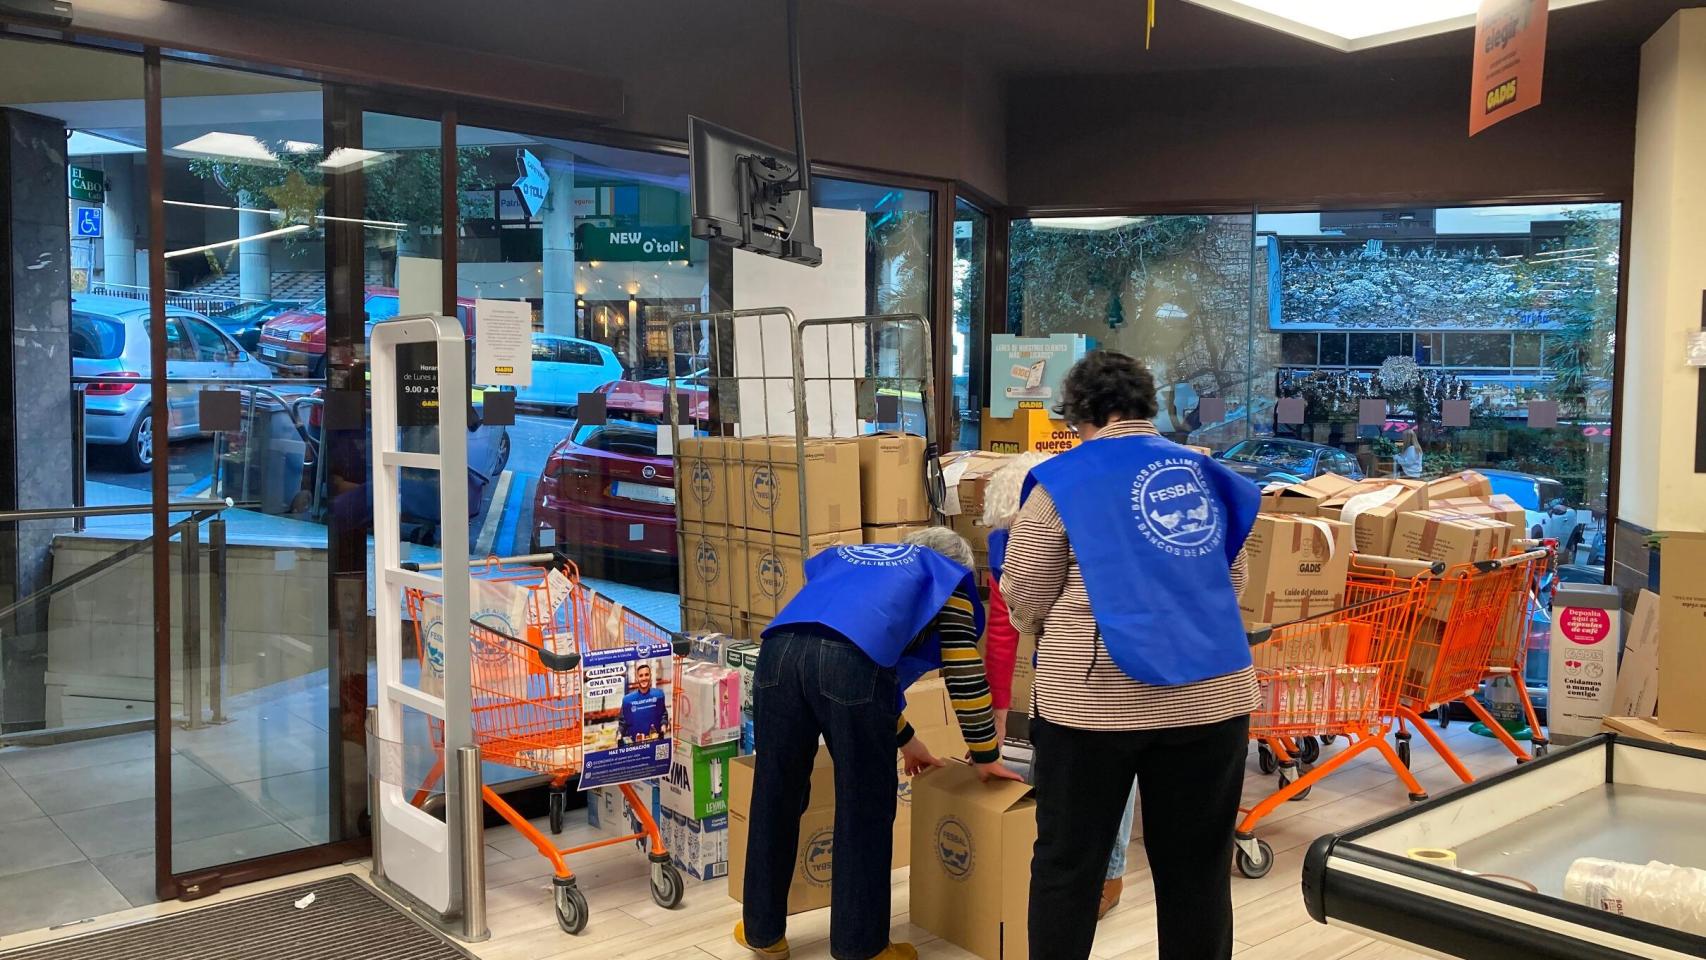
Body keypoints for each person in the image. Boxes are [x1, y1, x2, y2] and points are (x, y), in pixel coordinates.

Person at [1004, 351, 1259, 960]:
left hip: (1092, 704)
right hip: (1212, 697)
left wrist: (1066, 627)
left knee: (1070, 866)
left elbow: (1026, 588)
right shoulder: (1205, 471)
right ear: (1148, 406)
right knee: (1197, 869)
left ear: (1080, 413)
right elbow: (1235, 578)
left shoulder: (1066, 479)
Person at [736, 528, 1022, 960]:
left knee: (775, 792)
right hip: (849, 663)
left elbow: (832, 647)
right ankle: (862, 946)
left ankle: (762, 932)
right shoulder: (945, 577)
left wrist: (908, 740)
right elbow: (963, 672)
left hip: (776, 656)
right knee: (864, 803)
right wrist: (986, 754)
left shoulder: (861, 561)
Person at [983, 452, 1136, 920]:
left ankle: (1107, 873)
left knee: (1100, 769)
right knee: (1087, 770)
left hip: (1104, 671)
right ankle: (1084, 864)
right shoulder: (1019, 540)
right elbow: (1005, 631)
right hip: (1081, 672)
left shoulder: (1014, 542)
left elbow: (1005, 632)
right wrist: (997, 712)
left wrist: (996, 713)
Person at [618, 663, 669, 743]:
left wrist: (664, 725)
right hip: (635, 746)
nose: (644, 678)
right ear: (637, 678)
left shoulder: (659, 695)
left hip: (655, 742)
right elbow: (622, 723)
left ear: (650, 676)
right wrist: (619, 734)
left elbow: (663, 714)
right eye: (641, 676)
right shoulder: (628, 700)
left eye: (646, 675)